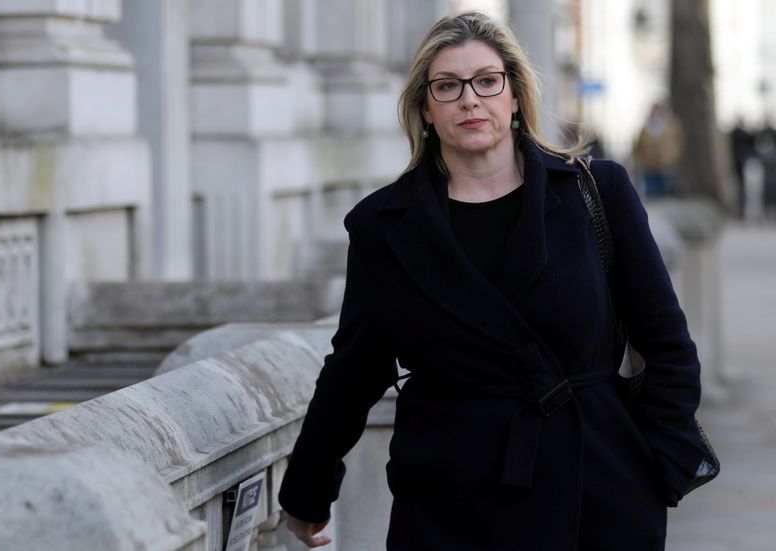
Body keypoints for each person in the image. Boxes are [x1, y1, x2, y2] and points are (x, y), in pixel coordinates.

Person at [279, 10, 711, 550]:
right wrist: (307, 490)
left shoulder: (594, 193)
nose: (470, 99)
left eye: (487, 81)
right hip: (450, 500)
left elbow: (668, 344)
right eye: (448, 86)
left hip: (595, 491)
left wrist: (657, 467)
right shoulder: (384, 226)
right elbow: (356, 368)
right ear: (424, 109)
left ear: (513, 96)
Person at [632, 100, 684, 198]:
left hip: (666, 167)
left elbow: (678, 143)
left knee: (666, 195)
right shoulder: (646, 128)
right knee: (652, 196)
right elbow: (638, 148)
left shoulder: (671, 126)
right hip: (649, 168)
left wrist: (671, 157)